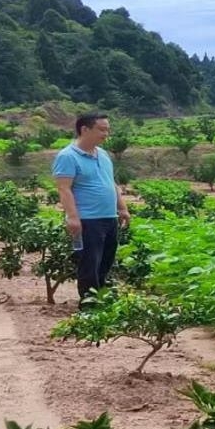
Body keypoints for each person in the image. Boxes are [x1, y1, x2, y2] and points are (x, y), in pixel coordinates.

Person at [52, 111, 129, 305]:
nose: (106, 134)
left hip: (109, 217)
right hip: (88, 219)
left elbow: (111, 183)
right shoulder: (67, 156)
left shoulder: (102, 154)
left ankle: (101, 299)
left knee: (105, 262)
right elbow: (64, 188)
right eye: (101, 130)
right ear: (84, 129)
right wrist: (73, 217)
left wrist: (122, 208)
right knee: (89, 264)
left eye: (107, 130)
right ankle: (89, 305)